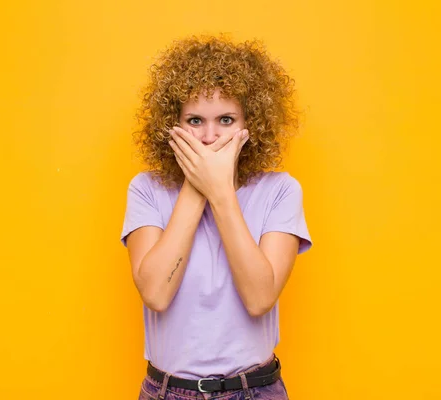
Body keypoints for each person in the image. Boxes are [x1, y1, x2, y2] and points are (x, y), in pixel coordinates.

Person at [121, 34, 312, 400]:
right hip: (167, 392)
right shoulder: (146, 189)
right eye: (195, 120)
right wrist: (199, 185)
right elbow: (156, 294)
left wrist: (221, 192)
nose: (209, 137)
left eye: (226, 119)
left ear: (249, 124)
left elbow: (259, 298)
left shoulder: (280, 191)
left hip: (254, 390)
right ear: (171, 125)